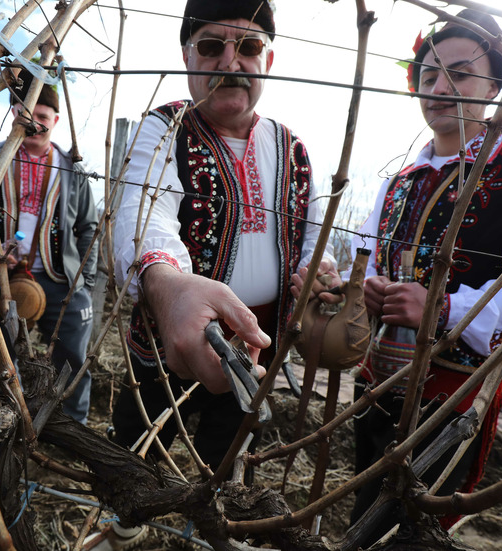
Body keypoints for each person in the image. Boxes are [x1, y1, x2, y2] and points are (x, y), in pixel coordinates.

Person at [347, 9, 502, 544]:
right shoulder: (402, 179)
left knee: (405, 533)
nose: (440, 87)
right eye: (428, 76)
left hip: (452, 401)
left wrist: (445, 309)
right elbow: (359, 261)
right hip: (374, 387)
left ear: (497, 84)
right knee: (361, 515)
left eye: (460, 73)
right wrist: (349, 288)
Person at [110, 0, 340, 480]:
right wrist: (170, 289)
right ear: (187, 57)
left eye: (249, 47)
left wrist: (319, 276)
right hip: (165, 338)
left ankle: (216, 526)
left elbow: (315, 239)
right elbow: (142, 218)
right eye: (212, 46)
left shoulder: (292, 147)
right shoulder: (165, 127)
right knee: (137, 454)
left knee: (232, 459)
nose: (230, 62)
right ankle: (121, 528)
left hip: (258, 346)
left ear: (268, 61)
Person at [0, 69, 99, 425]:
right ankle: (3, 423)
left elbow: (88, 227)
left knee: (72, 359)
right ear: (14, 113)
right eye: (27, 113)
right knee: (3, 357)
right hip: (2, 280)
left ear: (55, 119)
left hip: (61, 280)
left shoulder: (73, 168)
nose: (35, 123)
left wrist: (82, 280)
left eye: (43, 116)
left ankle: (72, 429)